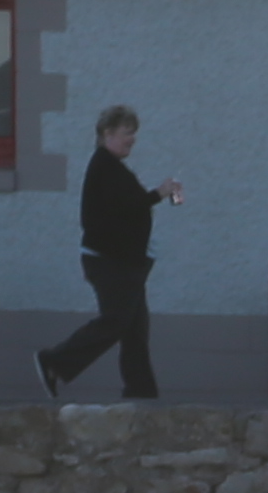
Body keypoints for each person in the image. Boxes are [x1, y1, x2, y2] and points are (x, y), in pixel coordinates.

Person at [37, 104, 185, 400]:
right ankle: (54, 361)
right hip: (110, 263)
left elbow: (124, 208)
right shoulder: (104, 166)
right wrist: (158, 194)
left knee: (134, 330)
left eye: (134, 133)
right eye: (127, 133)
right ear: (108, 133)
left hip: (123, 264)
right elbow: (121, 210)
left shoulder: (111, 167)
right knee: (116, 321)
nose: (132, 139)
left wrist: (157, 195)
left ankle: (142, 394)